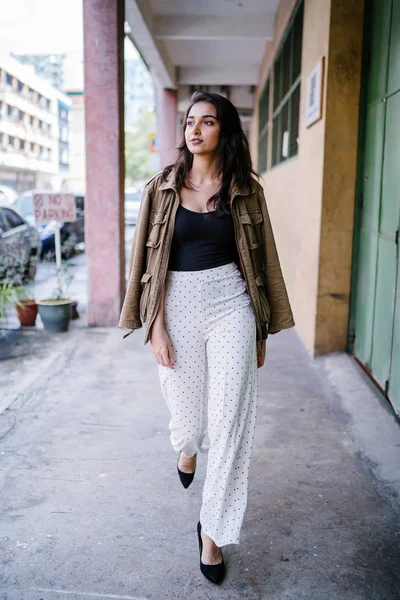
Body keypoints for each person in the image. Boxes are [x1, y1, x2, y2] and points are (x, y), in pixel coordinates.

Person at [119, 91, 295, 585]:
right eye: (190, 121)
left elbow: (263, 262)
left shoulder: (246, 189)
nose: (195, 129)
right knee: (192, 421)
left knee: (230, 427)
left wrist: (260, 327)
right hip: (176, 306)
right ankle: (186, 446)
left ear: (225, 131)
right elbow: (143, 266)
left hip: (231, 306)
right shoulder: (161, 189)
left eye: (208, 121)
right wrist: (153, 326)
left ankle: (212, 533)